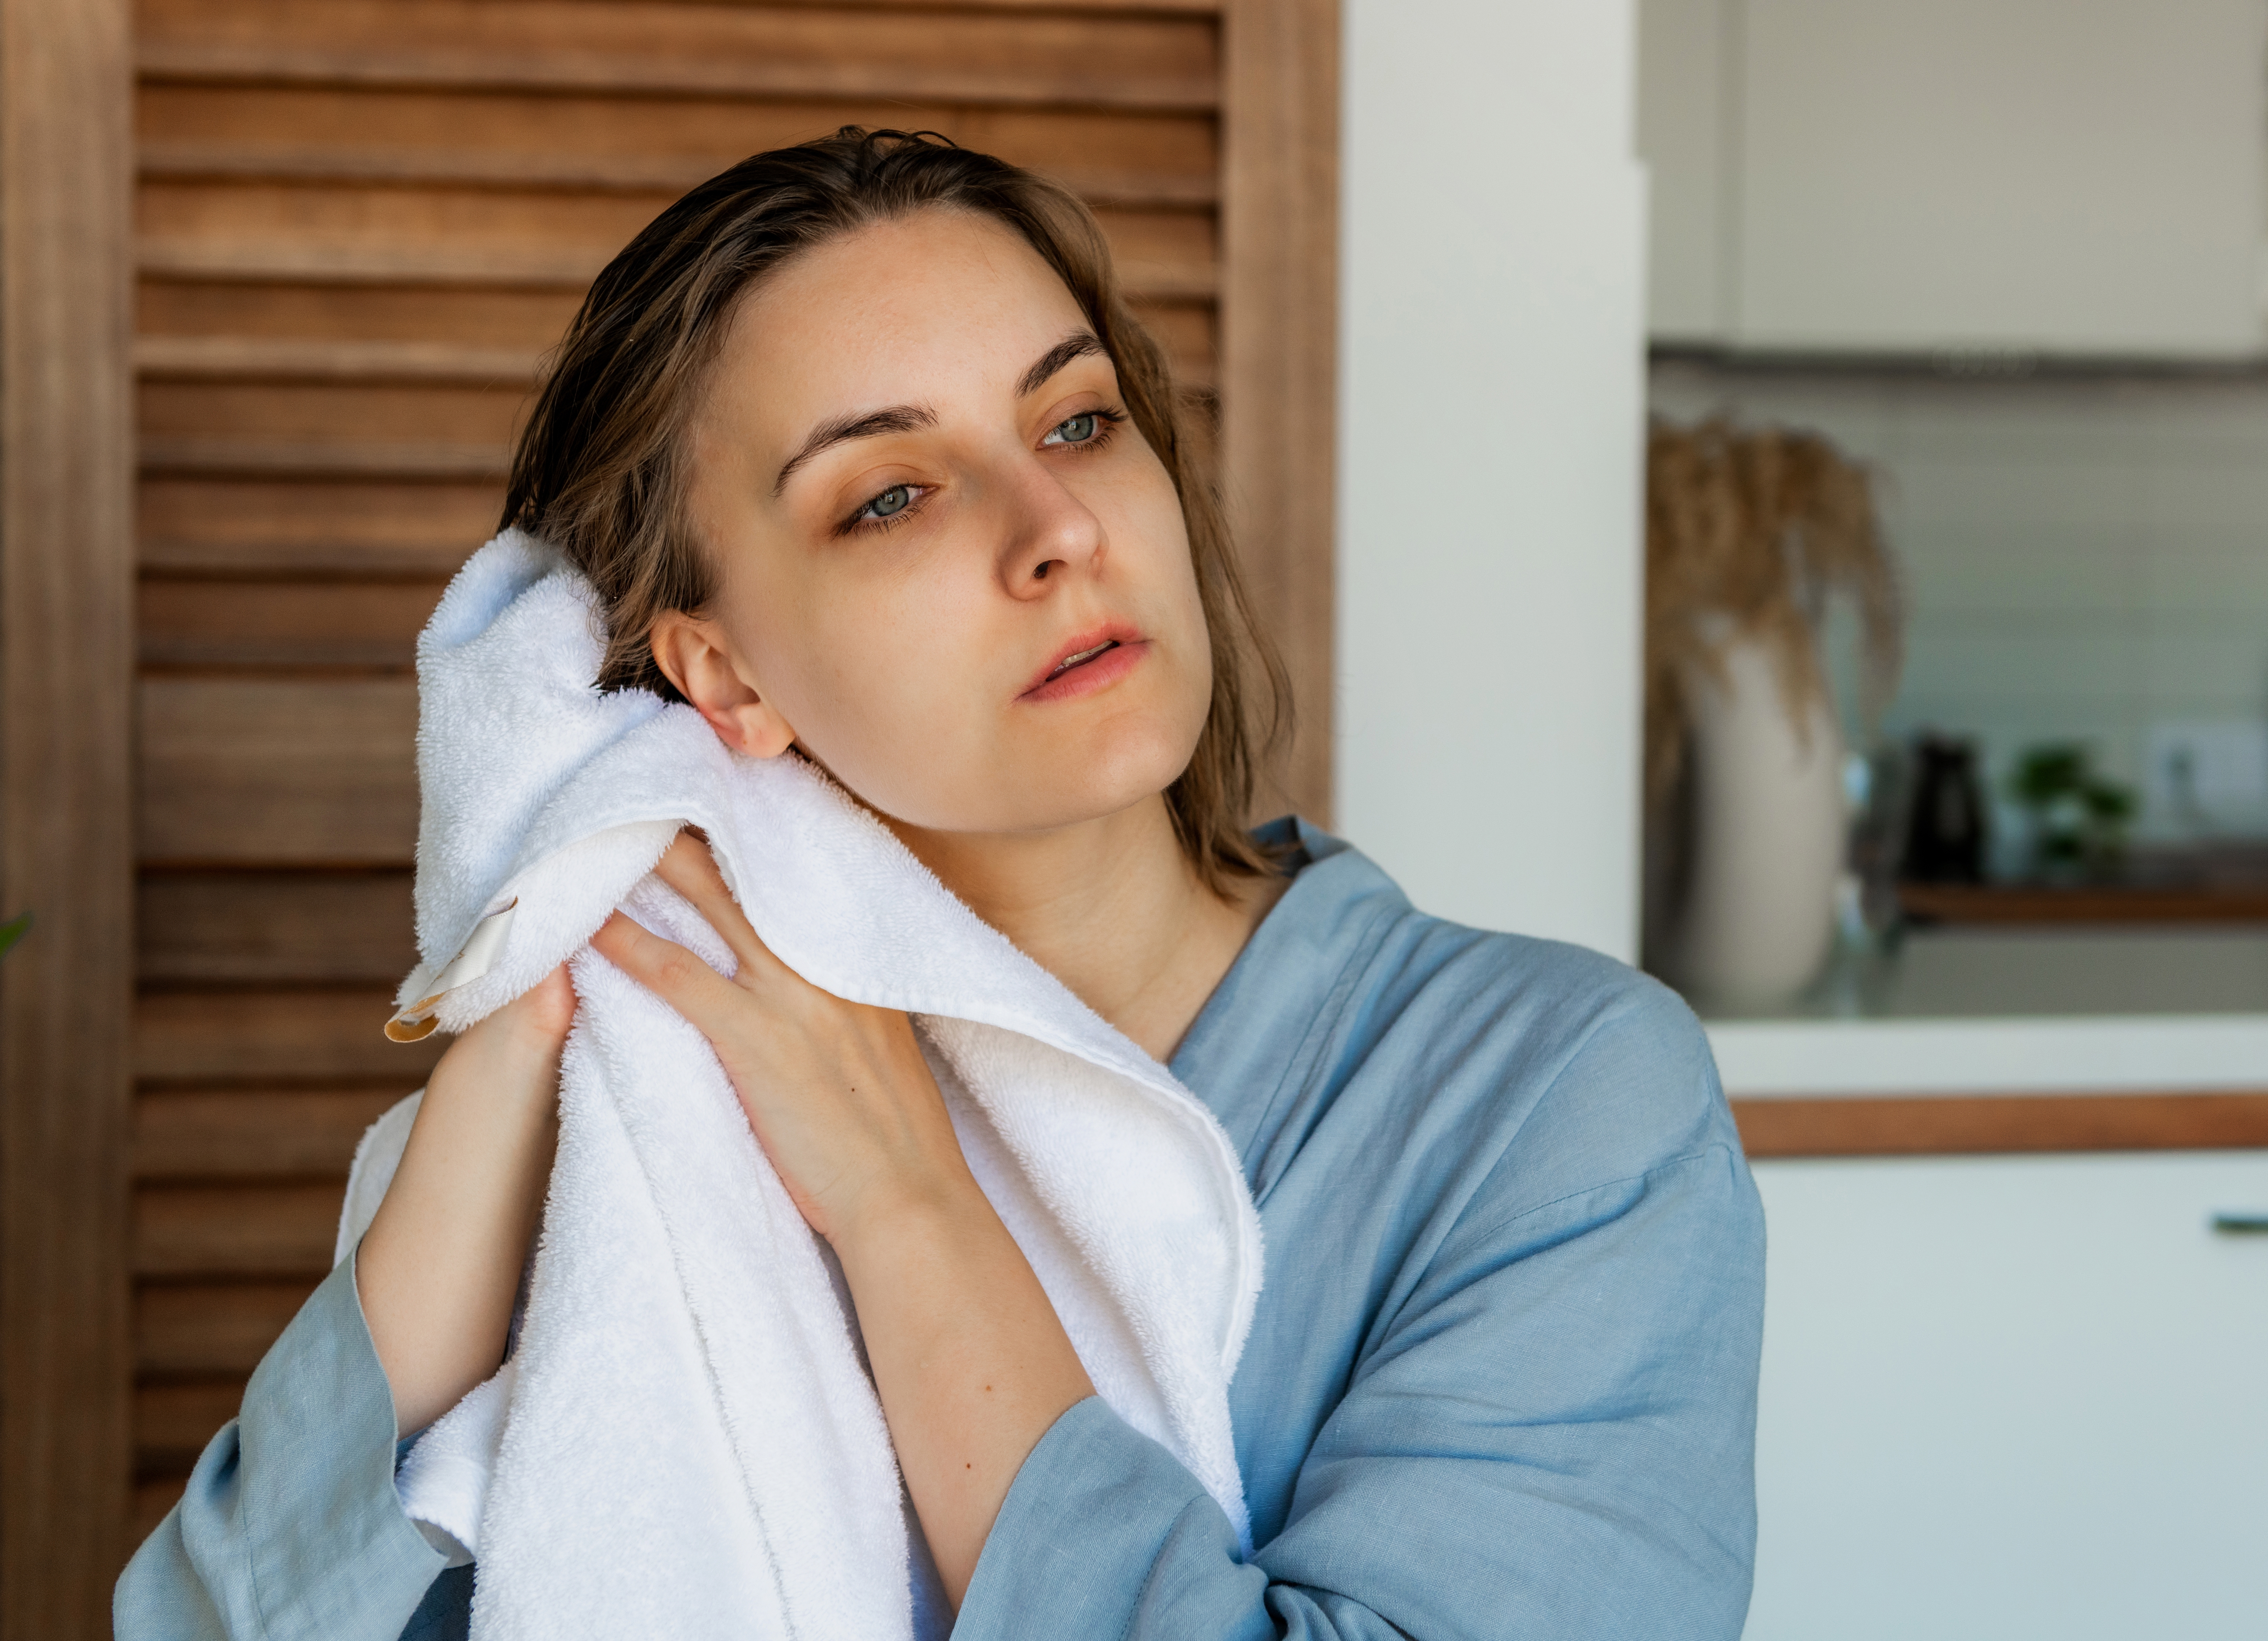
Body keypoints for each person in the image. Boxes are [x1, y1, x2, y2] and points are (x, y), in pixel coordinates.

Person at [116, 128, 1765, 1640]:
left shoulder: (1554, 1097)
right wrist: (520, 1035)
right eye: (891, 494)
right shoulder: (654, 1105)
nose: (1056, 527)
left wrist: (913, 1217)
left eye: (1079, 421)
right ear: (721, 675)